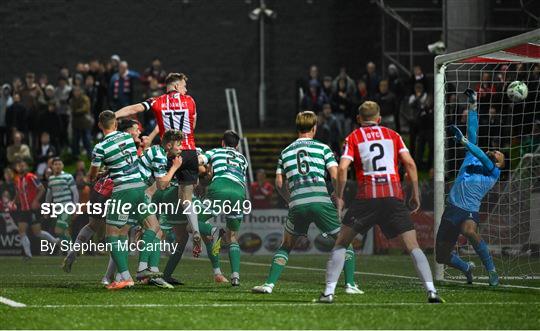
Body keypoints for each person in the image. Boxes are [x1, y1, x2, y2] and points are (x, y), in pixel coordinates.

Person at [319, 101, 443, 303]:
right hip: (393, 197)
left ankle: (329, 293)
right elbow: (410, 163)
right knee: (413, 246)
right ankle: (431, 292)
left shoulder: (354, 136)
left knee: (341, 243)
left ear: (359, 119)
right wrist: (415, 193)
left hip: (367, 198)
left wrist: (340, 197)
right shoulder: (393, 135)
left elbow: (342, 169)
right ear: (379, 119)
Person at [252, 111, 360, 295]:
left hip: (298, 203)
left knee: (286, 245)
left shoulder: (285, 152)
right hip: (320, 201)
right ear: (314, 127)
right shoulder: (323, 148)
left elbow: (279, 183)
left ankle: (269, 284)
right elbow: (335, 175)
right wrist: (337, 193)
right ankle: (350, 285)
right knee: (344, 242)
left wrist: (289, 199)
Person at [114, 73, 201, 248]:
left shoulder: (157, 101)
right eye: (184, 86)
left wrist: (113, 115)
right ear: (176, 87)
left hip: (167, 150)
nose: (186, 89)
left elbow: (134, 109)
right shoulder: (190, 100)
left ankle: (141, 222)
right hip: (189, 150)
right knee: (186, 197)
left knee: (151, 190)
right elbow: (193, 124)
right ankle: (196, 228)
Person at [436, 89, 503, 286]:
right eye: (495, 150)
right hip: (452, 210)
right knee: (441, 257)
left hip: (469, 211)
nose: (495, 152)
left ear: (499, 164)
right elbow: (473, 132)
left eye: (499, 154)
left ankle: (491, 271)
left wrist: (464, 142)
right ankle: (466, 268)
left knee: (469, 231)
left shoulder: (493, 171)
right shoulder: (471, 155)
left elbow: (481, 154)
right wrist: (473, 105)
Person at [88, 110, 161, 290]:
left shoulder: (100, 148)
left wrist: (97, 175)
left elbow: (92, 174)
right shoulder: (127, 138)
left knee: (112, 235)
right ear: (115, 124)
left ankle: (126, 277)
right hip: (139, 187)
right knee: (153, 226)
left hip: (122, 191)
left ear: (99, 126)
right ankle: (143, 267)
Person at [197, 130, 249, 286]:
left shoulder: (216, 151)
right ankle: (235, 276)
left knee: (192, 223)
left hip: (219, 187)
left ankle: (215, 232)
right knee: (232, 236)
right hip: (239, 191)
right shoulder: (243, 158)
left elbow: (199, 161)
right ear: (237, 145)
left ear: (222, 142)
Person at [12, 159, 58, 258]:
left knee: (35, 232)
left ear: (26, 167)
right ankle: (29, 254)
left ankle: (54, 241)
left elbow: (41, 188)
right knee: (28, 231)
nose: (21, 167)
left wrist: (35, 200)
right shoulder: (17, 179)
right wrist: (14, 202)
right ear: (16, 168)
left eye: (23, 165)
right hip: (24, 209)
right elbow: (18, 193)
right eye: (19, 166)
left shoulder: (31, 176)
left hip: (31, 209)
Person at [44, 158, 79, 245]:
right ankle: (71, 252)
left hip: (67, 208)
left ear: (62, 166)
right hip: (57, 209)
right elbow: (49, 196)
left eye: (59, 164)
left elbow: (75, 193)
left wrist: (76, 207)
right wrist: (46, 209)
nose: (57, 166)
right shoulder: (51, 179)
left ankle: (70, 251)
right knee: (63, 231)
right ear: (52, 166)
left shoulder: (68, 176)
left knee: (58, 230)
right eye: (55, 164)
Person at [70, 86, 93, 158]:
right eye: (75, 91)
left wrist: (76, 111)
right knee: (75, 140)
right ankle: (75, 155)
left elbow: (85, 109)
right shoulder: (72, 100)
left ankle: (90, 154)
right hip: (76, 123)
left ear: (80, 91)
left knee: (87, 139)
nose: (76, 93)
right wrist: (77, 111)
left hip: (85, 122)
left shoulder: (85, 98)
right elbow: (72, 109)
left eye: (77, 91)